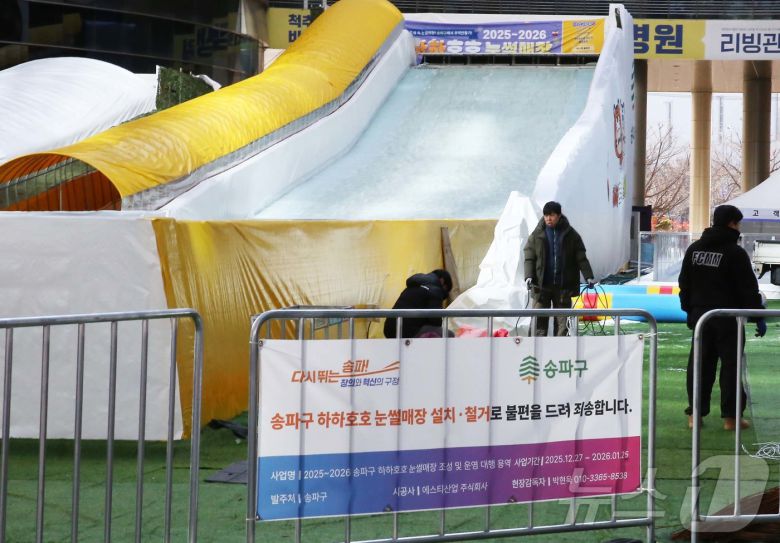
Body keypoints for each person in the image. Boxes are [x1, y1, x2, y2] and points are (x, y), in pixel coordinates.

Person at [678, 204, 767, 431]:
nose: (739, 228)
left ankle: (695, 415)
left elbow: (684, 283)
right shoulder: (735, 253)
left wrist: (689, 311)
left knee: (699, 366)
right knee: (731, 367)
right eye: (738, 223)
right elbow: (747, 289)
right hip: (729, 318)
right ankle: (731, 417)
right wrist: (757, 315)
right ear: (731, 223)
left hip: (701, 316)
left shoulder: (694, 249)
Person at [523, 201, 595, 336]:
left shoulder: (571, 235)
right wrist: (528, 276)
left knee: (563, 324)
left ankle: (560, 347)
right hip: (541, 287)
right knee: (538, 322)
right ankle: (536, 347)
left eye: (551, 215)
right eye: (546, 215)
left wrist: (588, 276)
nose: (548, 219)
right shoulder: (537, 234)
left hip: (563, 288)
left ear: (559, 215)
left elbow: (581, 257)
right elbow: (529, 256)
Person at [383, 269, 453, 338]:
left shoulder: (412, 286)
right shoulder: (435, 290)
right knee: (449, 335)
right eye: (446, 289)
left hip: (389, 330)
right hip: (409, 331)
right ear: (442, 280)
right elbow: (435, 320)